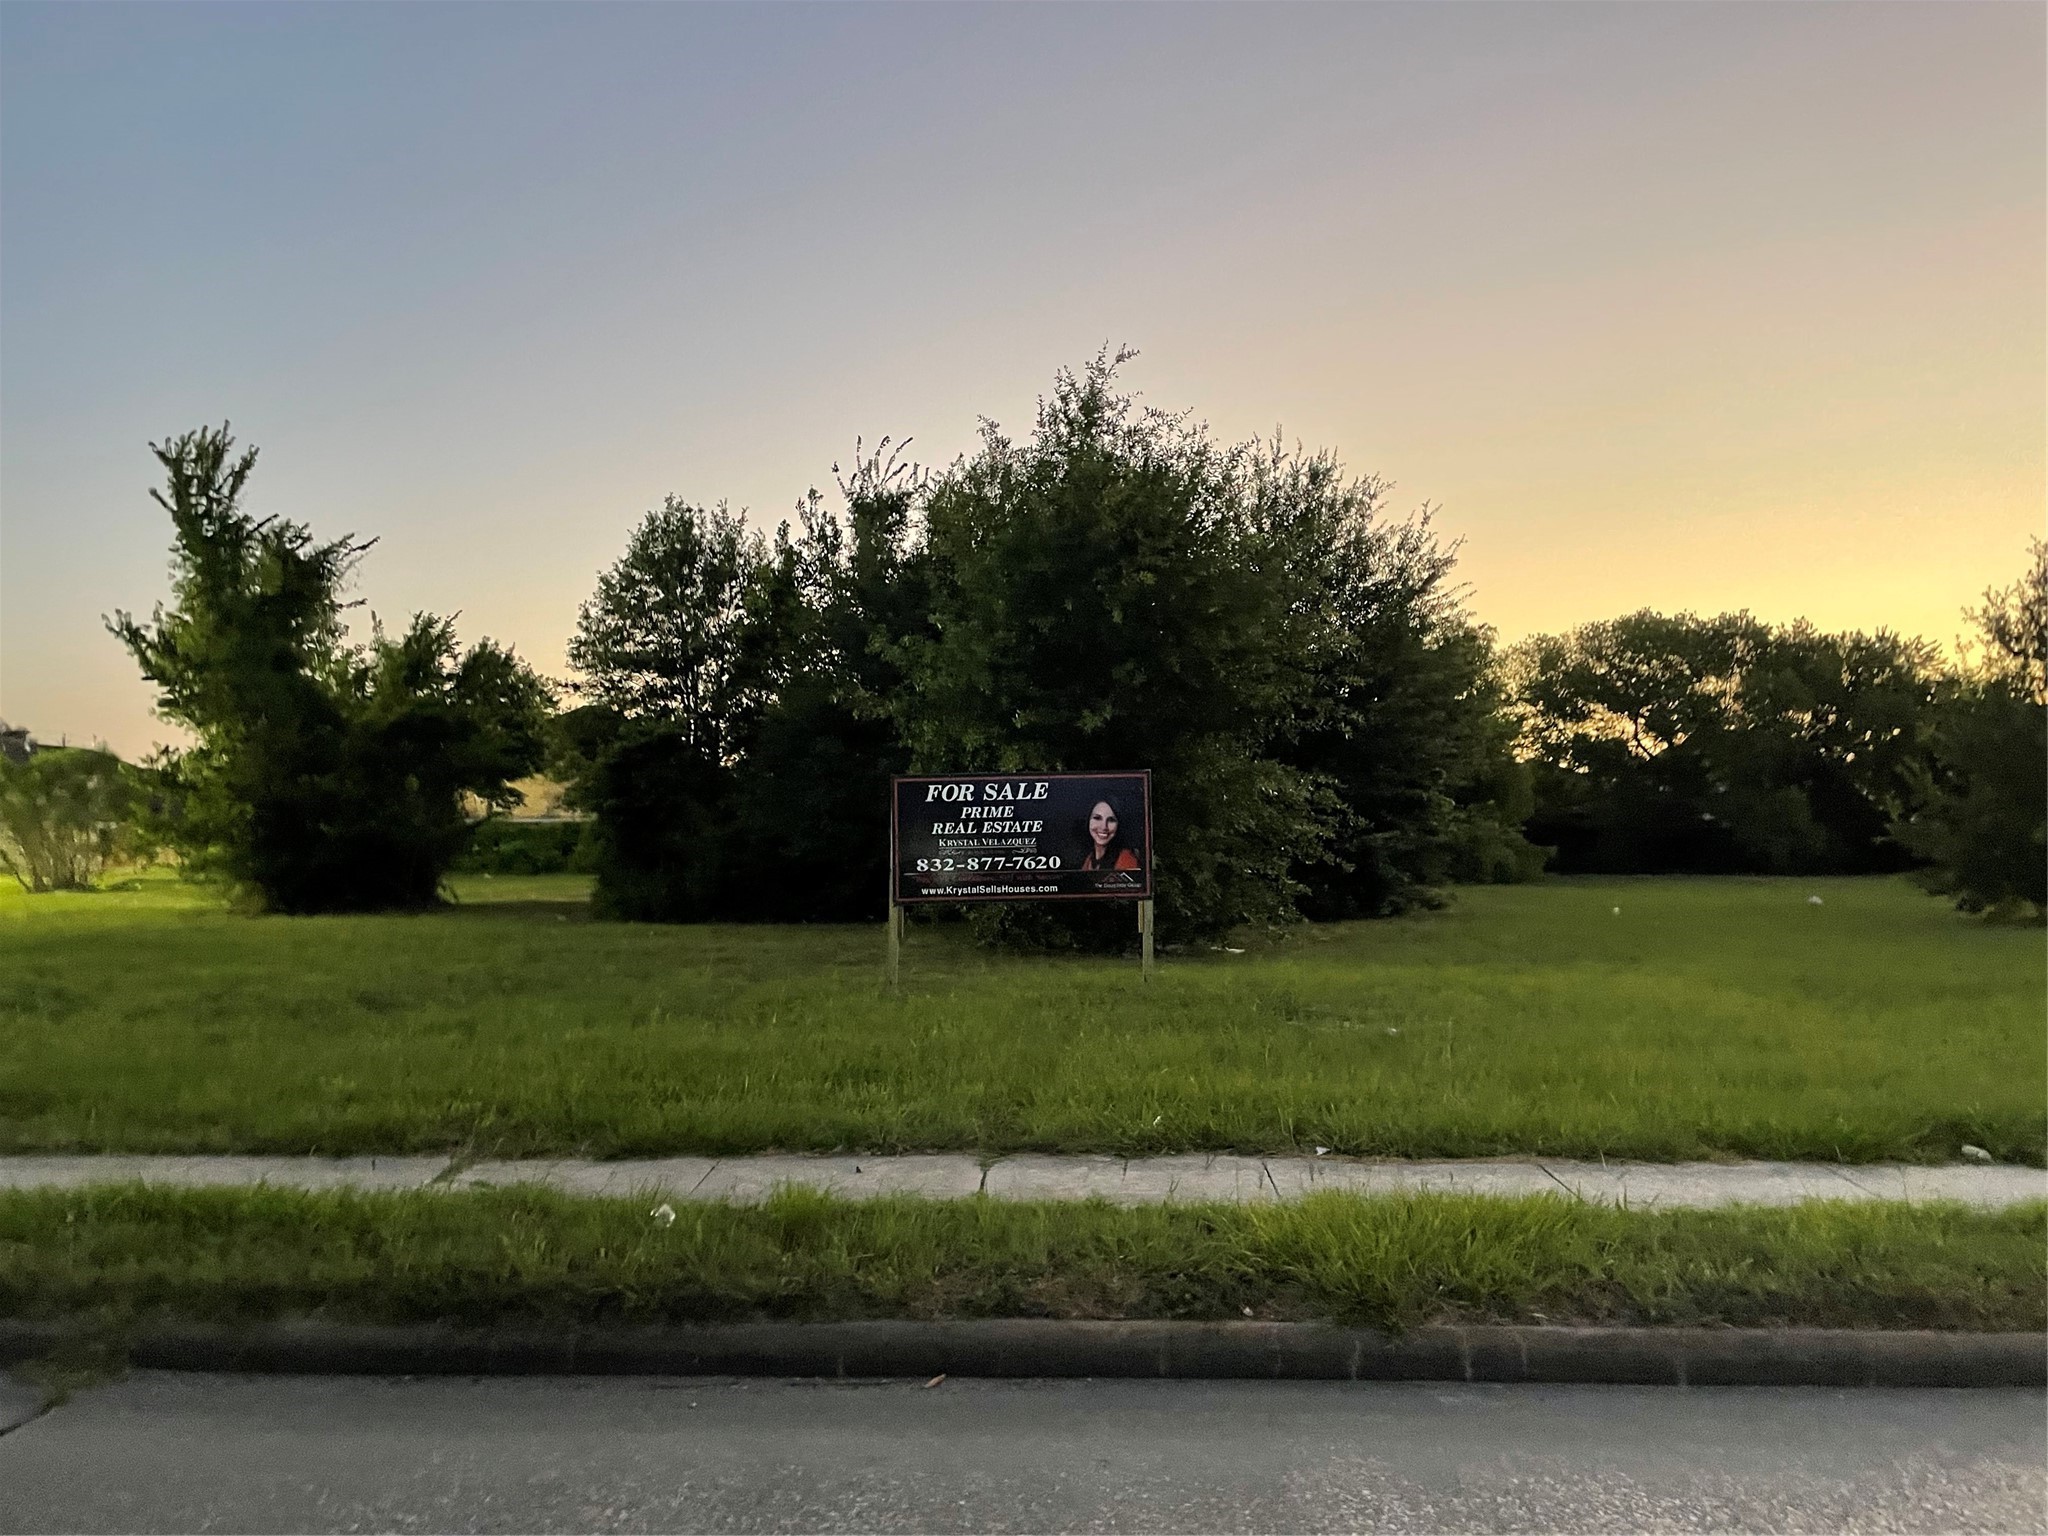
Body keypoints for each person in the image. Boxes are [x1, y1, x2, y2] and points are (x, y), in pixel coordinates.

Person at [1079, 798, 1141, 872]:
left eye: (1111, 820)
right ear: (1088, 820)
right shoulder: (1089, 859)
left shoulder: (1126, 859)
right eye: (1097, 818)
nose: (1104, 827)